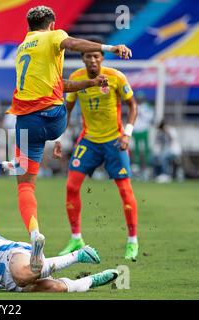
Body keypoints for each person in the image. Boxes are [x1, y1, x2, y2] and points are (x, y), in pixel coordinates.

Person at [1, 5, 132, 272]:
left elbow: (60, 83)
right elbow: (72, 46)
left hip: (27, 120)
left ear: (29, 26)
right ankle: (29, 155)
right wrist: (109, 49)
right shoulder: (53, 36)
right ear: (52, 24)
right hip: (54, 118)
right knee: (60, 104)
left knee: (25, 186)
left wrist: (90, 83)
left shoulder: (21, 48)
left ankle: (34, 232)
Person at [57, 38, 139, 261]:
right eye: (88, 56)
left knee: (124, 190)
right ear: (83, 58)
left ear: (102, 58)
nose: (92, 59)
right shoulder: (75, 78)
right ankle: (76, 238)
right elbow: (67, 109)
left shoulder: (116, 77)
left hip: (115, 140)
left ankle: (132, 240)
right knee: (71, 186)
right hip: (89, 141)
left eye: (96, 56)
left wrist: (127, 134)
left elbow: (133, 105)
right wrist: (59, 138)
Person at [132, 91, 154, 178]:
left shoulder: (147, 107)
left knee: (145, 149)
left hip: (144, 130)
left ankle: (147, 167)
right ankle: (136, 167)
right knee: (136, 149)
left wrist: (142, 114)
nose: (140, 100)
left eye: (141, 98)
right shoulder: (134, 106)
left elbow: (150, 117)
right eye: (138, 98)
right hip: (136, 130)